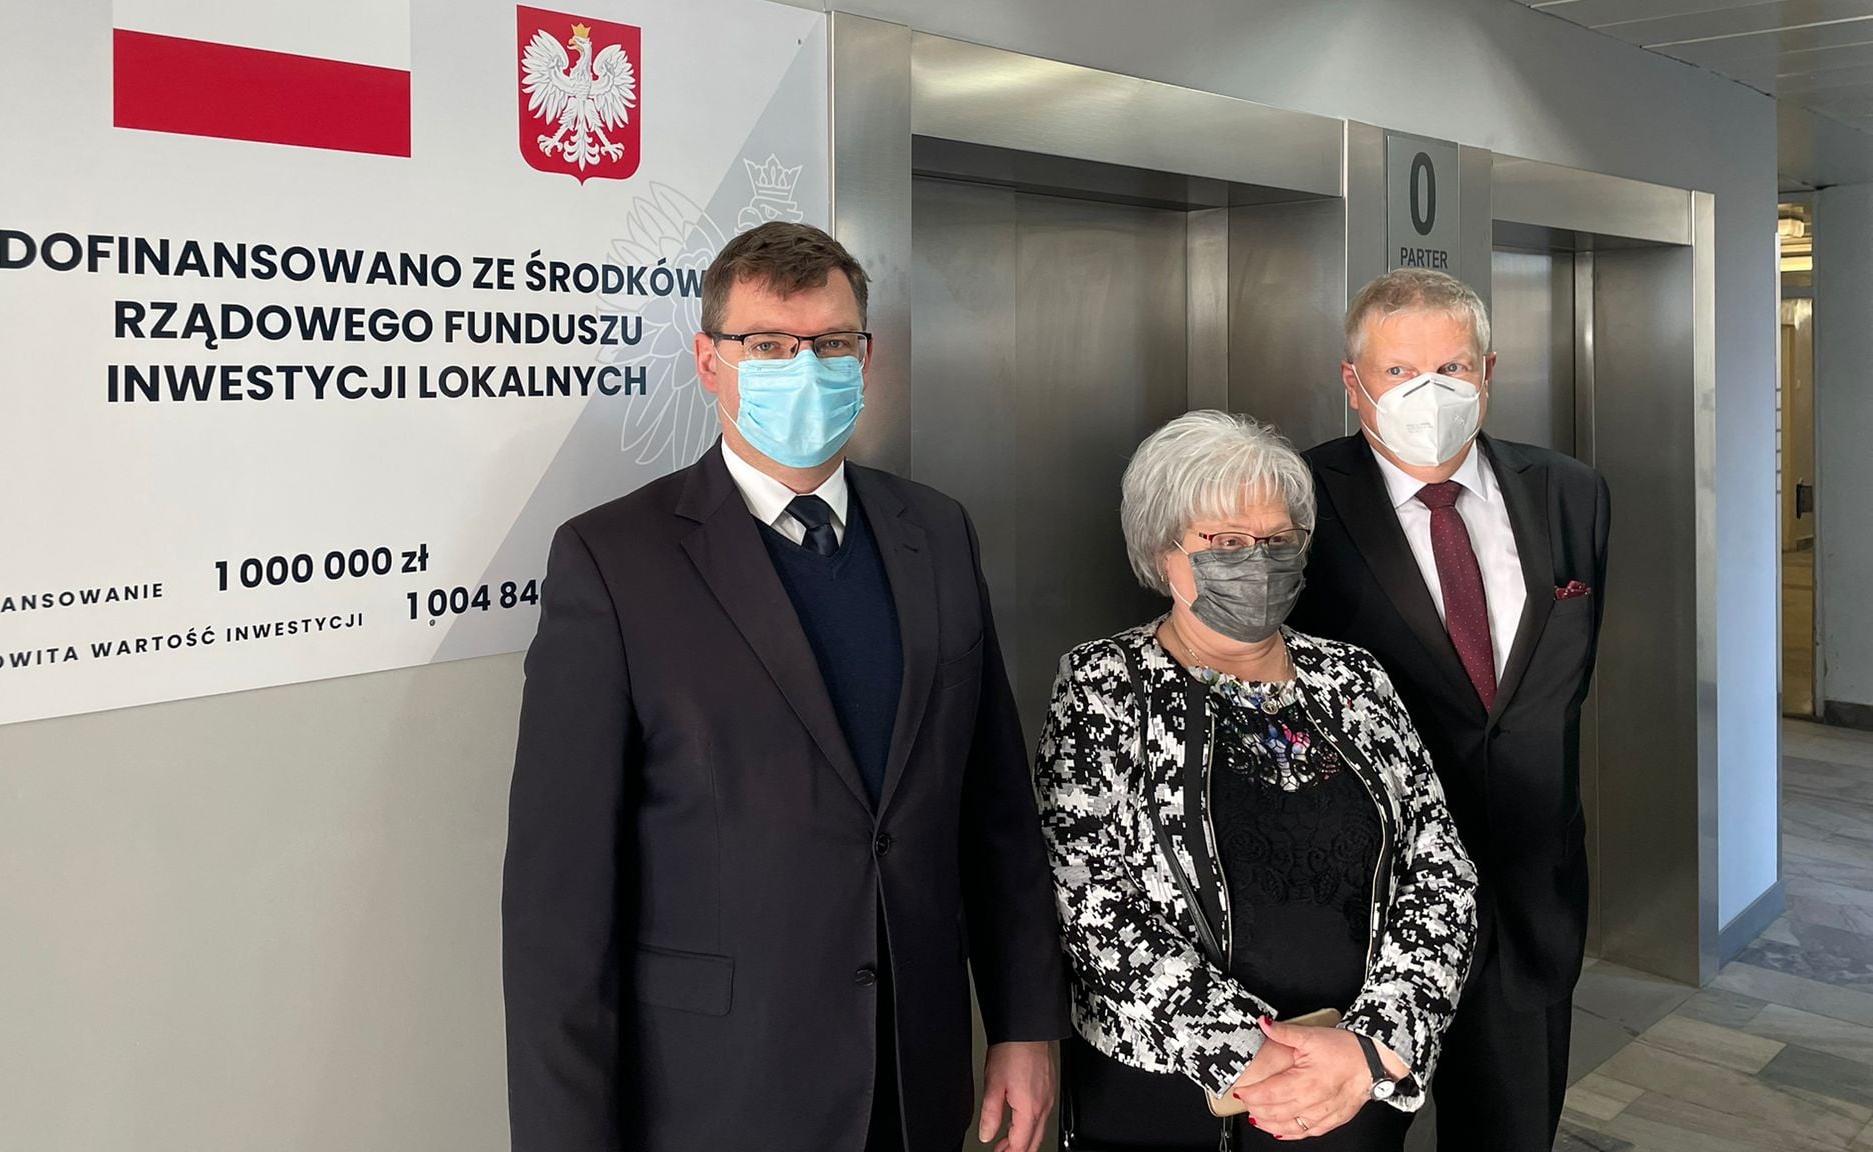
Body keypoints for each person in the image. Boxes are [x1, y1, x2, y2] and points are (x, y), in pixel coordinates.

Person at [502, 221, 1067, 1152]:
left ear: (865, 358)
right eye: (767, 345)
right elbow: (558, 899)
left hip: (913, 1077)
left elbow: (993, 809)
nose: (805, 368)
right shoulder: (613, 561)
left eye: (832, 343)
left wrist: (1023, 1022)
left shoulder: (935, 533)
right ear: (708, 362)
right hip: (719, 1093)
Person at [1036, 410, 1476, 1151]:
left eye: (1278, 541)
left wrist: (1377, 1044)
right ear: (1163, 550)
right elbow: (1085, 892)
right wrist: (1246, 1051)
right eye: (1226, 542)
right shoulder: (1104, 684)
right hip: (1168, 1097)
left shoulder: (1353, 679)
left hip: (1351, 1088)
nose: (1258, 561)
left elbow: (1440, 867)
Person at [1289, 269, 1611, 1152]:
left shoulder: (1571, 492)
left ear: (1488, 372)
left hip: (1527, 904)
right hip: (1357, 927)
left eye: (1453, 367)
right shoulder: (1295, 503)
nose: (1428, 390)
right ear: (1352, 382)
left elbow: (1556, 692)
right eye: (1399, 371)